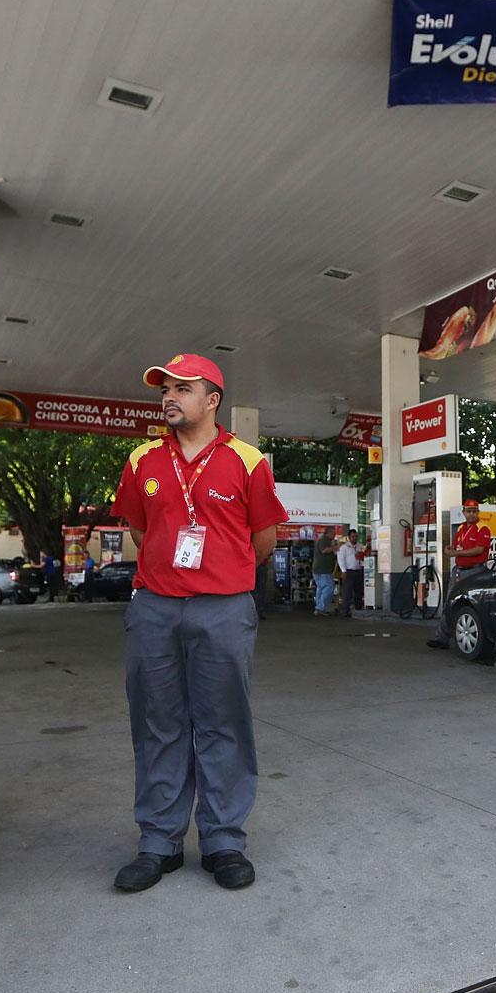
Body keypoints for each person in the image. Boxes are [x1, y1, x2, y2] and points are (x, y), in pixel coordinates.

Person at [110, 353, 287, 893]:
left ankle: (223, 839)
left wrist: (220, 575)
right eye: (165, 387)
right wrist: (173, 570)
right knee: (158, 721)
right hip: (155, 607)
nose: (169, 396)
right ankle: (158, 841)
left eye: (183, 388)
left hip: (223, 608)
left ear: (212, 400)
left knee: (223, 721)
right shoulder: (142, 460)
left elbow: (264, 539)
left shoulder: (247, 460)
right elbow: (140, 531)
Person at [427, 500, 495, 650]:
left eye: (474, 511)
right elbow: (458, 545)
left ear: (478, 512)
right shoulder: (461, 529)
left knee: (474, 604)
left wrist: (456, 553)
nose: (471, 514)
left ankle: (479, 639)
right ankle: (442, 638)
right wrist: (449, 548)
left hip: (476, 570)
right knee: (449, 603)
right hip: (459, 570)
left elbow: (478, 550)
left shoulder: (483, 528)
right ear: (464, 512)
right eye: (468, 511)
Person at [337, 529, 363, 616]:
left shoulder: (360, 546)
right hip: (348, 571)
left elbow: (362, 558)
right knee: (347, 592)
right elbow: (341, 559)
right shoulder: (344, 547)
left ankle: (358, 609)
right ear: (349, 537)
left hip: (358, 571)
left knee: (358, 591)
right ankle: (345, 611)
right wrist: (343, 570)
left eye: (356, 536)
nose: (354, 538)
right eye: (353, 536)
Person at [311, 529, 336, 616]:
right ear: (327, 533)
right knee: (329, 587)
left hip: (319, 570)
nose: (335, 534)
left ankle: (319, 607)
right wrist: (335, 547)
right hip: (323, 570)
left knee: (321, 588)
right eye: (333, 533)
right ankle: (321, 607)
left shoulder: (326, 541)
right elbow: (324, 550)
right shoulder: (323, 540)